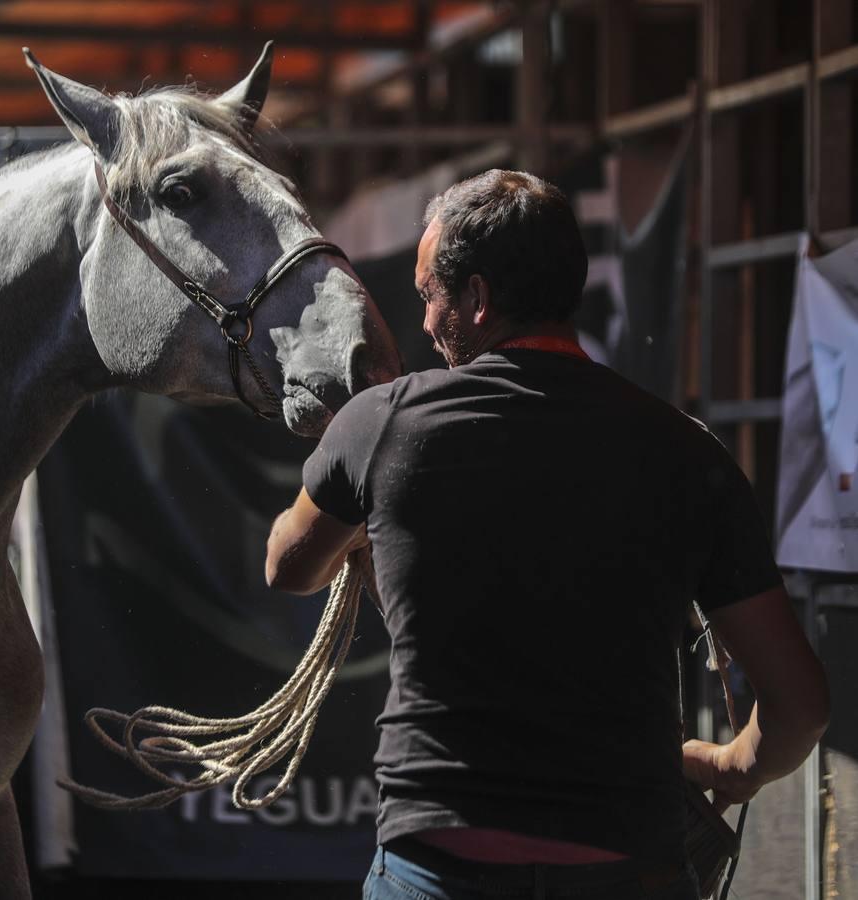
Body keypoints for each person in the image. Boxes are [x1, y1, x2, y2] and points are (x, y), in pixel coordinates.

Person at [264, 169, 830, 900]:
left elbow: (288, 566)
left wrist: (350, 494)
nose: (427, 323)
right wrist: (732, 768)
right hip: (630, 872)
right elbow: (802, 705)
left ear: (476, 298)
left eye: (431, 295)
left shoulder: (382, 425)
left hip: (438, 872)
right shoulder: (686, 454)